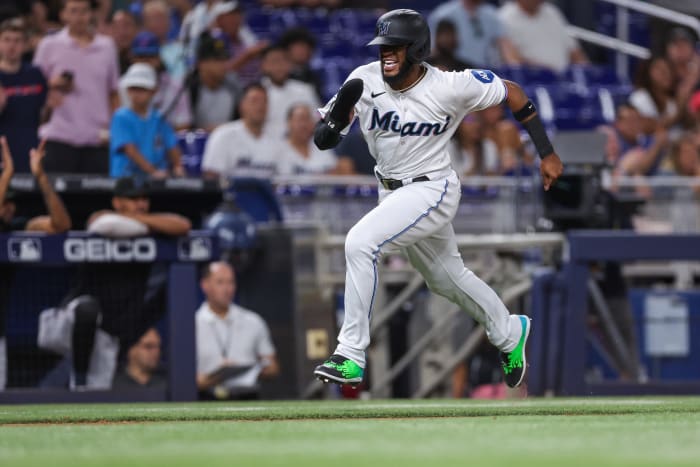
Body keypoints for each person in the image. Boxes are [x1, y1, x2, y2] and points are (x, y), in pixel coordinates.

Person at [311, 9, 563, 388]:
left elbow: (513, 92)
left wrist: (546, 152)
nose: (386, 55)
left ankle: (350, 353)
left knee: (360, 243)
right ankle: (510, 331)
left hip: (432, 188)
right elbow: (322, 140)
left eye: (395, 47)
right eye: (383, 48)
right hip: (391, 192)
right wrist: (335, 121)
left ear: (417, 49)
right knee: (447, 279)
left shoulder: (450, 85)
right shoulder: (362, 80)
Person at [49, 176, 191, 389]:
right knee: (87, 309)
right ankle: (77, 376)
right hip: (72, 324)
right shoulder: (105, 219)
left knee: (91, 395)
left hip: (110, 332)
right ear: (116, 202)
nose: (141, 204)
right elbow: (102, 223)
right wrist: (148, 224)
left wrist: (140, 221)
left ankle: (78, 385)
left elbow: (183, 225)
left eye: (144, 199)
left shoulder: (142, 224)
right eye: (133, 199)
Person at [0, 135, 72, 390]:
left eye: (10, 202)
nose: (7, 208)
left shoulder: (17, 227)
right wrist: (7, 173)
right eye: (3, 201)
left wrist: (41, 178)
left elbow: (61, 225)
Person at [33, 0, 120, 174]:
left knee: (94, 200)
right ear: (62, 15)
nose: (79, 17)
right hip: (58, 135)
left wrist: (113, 131)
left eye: (84, 11)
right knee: (55, 197)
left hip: (96, 138)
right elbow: (34, 87)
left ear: (91, 14)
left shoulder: (107, 46)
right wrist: (52, 84)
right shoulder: (49, 45)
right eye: (73, 11)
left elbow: (113, 93)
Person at [195, 261, 279, 400]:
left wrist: (251, 371)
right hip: (208, 398)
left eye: (231, 282)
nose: (227, 289)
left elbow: (273, 368)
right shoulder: (193, 325)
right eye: (220, 282)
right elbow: (184, 377)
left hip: (247, 397)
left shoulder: (253, 321)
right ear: (205, 285)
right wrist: (213, 378)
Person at [110, 63, 185, 179]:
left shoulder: (159, 118)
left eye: (142, 89)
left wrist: (178, 166)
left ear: (153, 91)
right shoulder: (121, 117)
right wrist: (153, 172)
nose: (136, 94)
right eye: (133, 89)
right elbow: (130, 150)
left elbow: (172, 145)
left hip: (156, 180)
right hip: (126, 180)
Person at [0, 17, 49, 173]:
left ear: (25, 45)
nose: (11, 46)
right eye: (7, 40)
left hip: (29, 149)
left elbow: (44, 114)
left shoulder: (35, 74)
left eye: (17, 41)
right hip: (3, 150)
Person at [201, 82, 278, 179]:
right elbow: (211, 176)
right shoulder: (223, 135)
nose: (260, 106)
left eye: (265, 101)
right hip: (231, 193)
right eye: (254, 101)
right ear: (242, 105)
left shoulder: (277, 139)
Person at [121, 31, 192, 131]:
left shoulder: (176, 86)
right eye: (140, 57)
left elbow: (183, 127)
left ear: (159, 57)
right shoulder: (122, 85)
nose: (145, 62)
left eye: (150, 56)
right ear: (132, 58)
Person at [498, 0, 588, 73]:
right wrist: (545, 71)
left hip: (564, 79)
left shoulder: (552, 12)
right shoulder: (504, 17)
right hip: (531, 79)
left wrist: (587, 70)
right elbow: (513, 61)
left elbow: (574, 51)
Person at [428, 0, 519, 68]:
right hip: (454, 71)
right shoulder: (442, 14)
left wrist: (516, 68)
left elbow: (507, 50)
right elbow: (433, 51)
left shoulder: (492, 14)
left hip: (487, 73)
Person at [260, 44, 320, 140]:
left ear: (290, 64)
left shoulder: (305, 90)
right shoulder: (257, 93)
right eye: (274, 61)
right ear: (264, 65)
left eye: (283, 61)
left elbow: (317, 119)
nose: (279, 66)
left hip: (302, 143)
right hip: (267, 146)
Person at [277, 103, 352, 175]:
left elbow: (334, 173)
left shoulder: (321, 146)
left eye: (307, 119)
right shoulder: (278, 150)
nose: (304, 125)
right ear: (289, 123)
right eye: (300, 120)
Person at [190, 29, 242, 131]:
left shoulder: (233, 87)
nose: (223, 65)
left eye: (225, 59)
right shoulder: (190, 89)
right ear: (201, 64)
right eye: (217, 60)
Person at [211, 0, 267, 87]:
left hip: (256, 85)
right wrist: (247, 55)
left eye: (237, 14)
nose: (235, 18)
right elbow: (221, 71)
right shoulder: (215, 39)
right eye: (230, 15)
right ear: (219, 20)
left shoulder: (247, 34)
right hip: (231, 89)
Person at [629, 56, 683, 136]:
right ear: (647, 72)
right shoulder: (640, 97)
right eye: (660, 69)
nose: (666, 73)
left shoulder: (674, 98)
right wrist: (679, 110)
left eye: (669, 69)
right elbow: (649, 129)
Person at [142, 0, 187, 79]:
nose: (157, 23)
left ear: (169, 22)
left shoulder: (181, 50)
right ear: (145, 23)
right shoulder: (138, 51)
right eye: (153, 19)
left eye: (161, 18)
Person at [279, 27, 323, 101]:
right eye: (299, 46)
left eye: (307, 47)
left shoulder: (314, 78)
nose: (303, 50)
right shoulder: (279, 76)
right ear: (287, 49)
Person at [108, 9, 138, 74]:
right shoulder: (104, 59)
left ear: (136, 29)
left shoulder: (145, 56)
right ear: (110, 31)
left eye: (127, 25)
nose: (122, 32)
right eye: (117, 27)